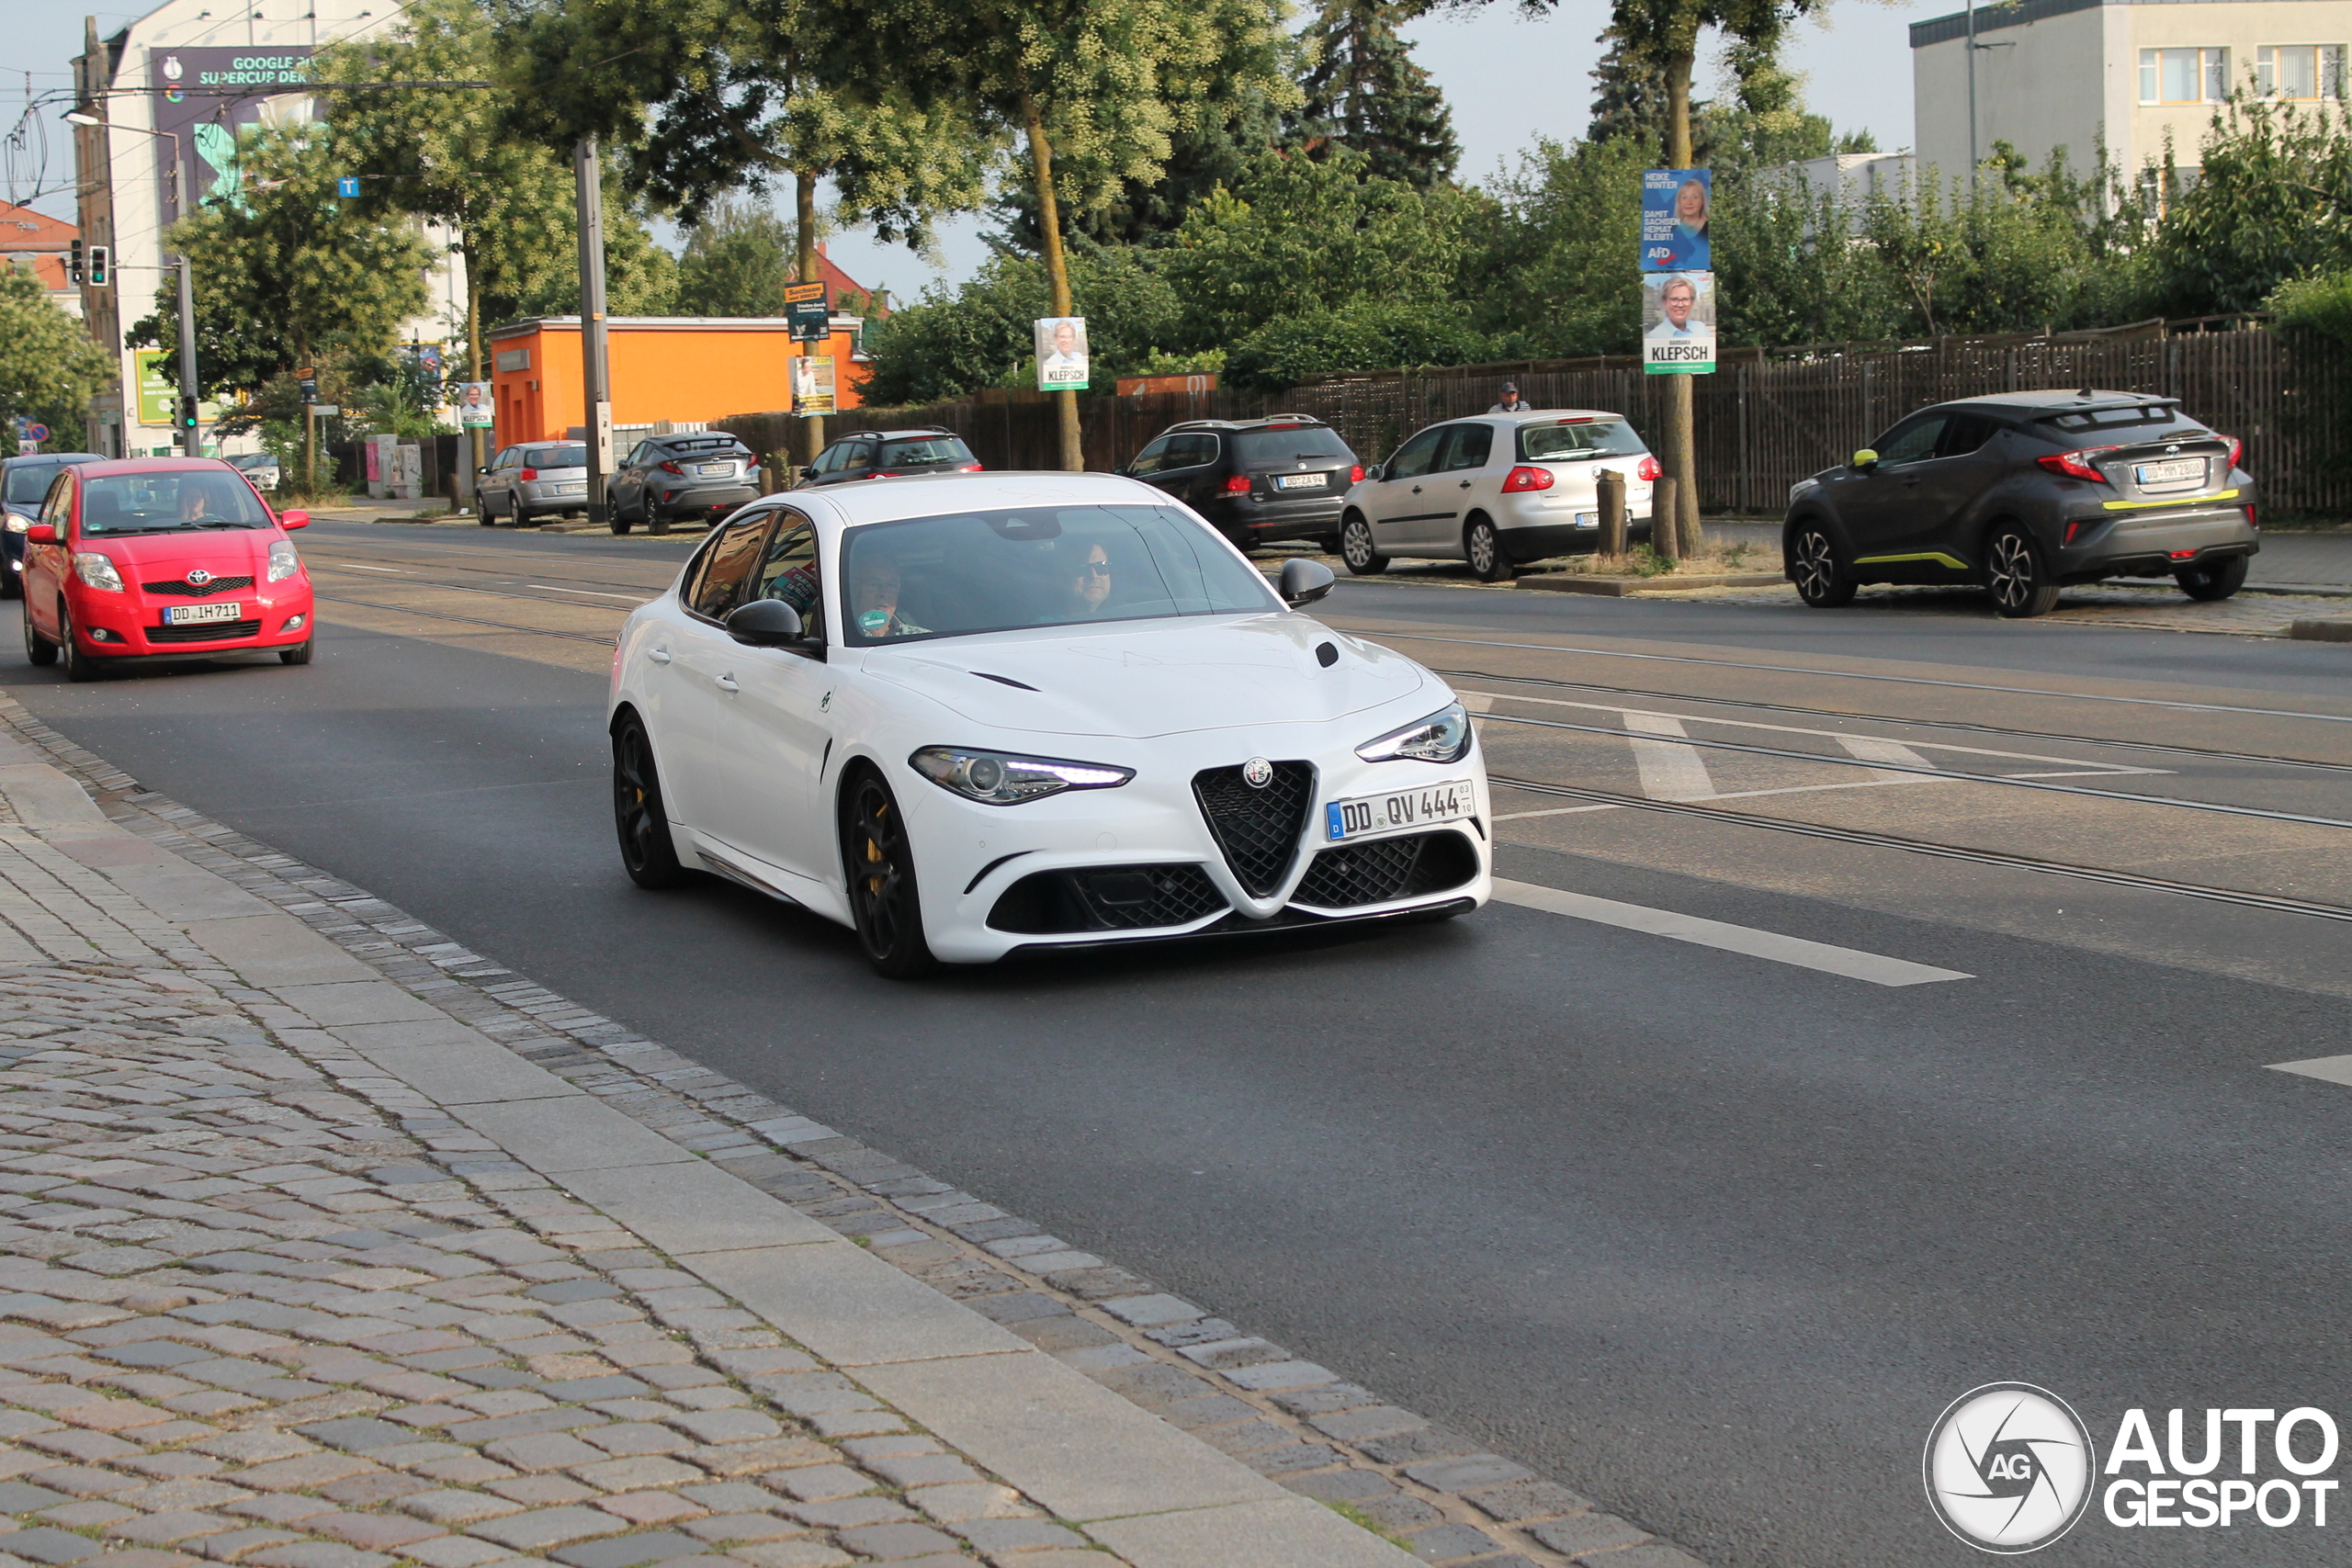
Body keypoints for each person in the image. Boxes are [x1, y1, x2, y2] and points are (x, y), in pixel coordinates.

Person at [846, 545, 926, 639]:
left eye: (891, 585)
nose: (884, 593)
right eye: (874, 584)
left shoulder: (922, 638)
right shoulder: (842, 636)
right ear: (855, 587)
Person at [1057, 539, 1114, 618]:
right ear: (1065, 576)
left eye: (1102, 567)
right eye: (1083, 568)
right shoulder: (1045, 626)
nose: (1094, 576)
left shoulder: (1129, 615)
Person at [1664, 178, 1711, 270]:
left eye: (1695, 197)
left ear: (1702, 201)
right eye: (1684, 197)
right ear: (1679, 201)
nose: (1689, 202)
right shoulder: (1671, 229)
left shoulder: (1710, 227)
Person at [1646, 276, 1702, 341]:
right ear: (1664, 302)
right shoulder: (1655, 336)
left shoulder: (1701, 329)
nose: (1680, 305)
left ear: (1692, 302)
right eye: (1674, 299)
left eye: (1685, 299)